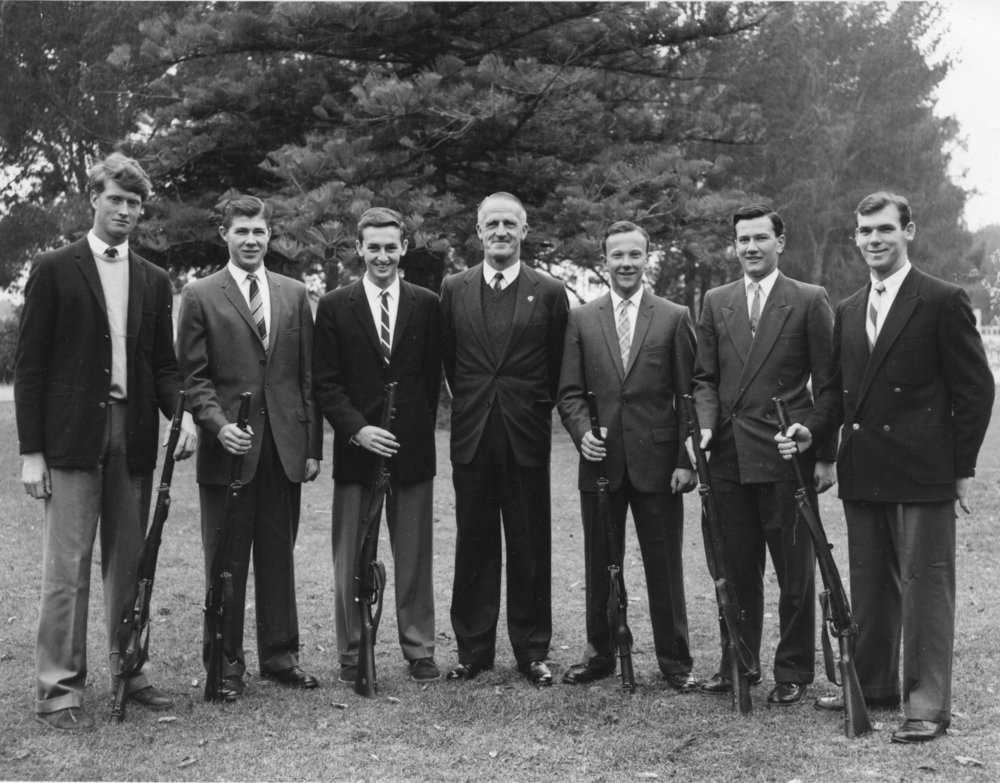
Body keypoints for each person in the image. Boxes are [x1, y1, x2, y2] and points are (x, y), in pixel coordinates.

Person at [777, 192, 994, 742]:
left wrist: (960, 466)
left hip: (924, 473)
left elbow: (976, 389)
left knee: (925, 589)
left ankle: (926, 705)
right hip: (865, 469)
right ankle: (873, 684)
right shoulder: (849, 309)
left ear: (909, 232)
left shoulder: (942, 300)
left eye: (885, 230)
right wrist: (812, 431)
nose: (874, 240)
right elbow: (832, 395)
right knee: (871, 587)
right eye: (865, 231)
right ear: (855, 238)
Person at [15, 152, 198, 731]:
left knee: (129, 563)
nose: (124, 210)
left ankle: (129, 668)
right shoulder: (54, 267)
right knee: (66, 567)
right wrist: (31, 452)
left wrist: (182, 415)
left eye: (134, 203)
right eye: (115, 199)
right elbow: (31, 366)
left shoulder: (152, 277)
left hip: (134, 434)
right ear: (93, 199)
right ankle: (59, 687)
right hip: (71, 437)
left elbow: (165, 366)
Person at [177, 194, 323, 700]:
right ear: (225, 235)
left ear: (269, 234)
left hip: (283, 447)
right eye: (241, 232)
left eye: (259, 232)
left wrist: (311, 448)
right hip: (228, 452)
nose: (251, 240)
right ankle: (225, 665)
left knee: (279, 557)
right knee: (226, 560)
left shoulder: (293, 292)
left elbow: (306, 378)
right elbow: (192, 380)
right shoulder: (199, 295)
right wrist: (217, 426)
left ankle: (281, 659)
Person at [692, 203, 837, 705]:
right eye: (742, 240)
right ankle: (739, 662)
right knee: (734, 570)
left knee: (794, 573)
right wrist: (704, 427)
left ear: (780, 242)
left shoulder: (808, 299)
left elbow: (831, 387)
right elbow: (703, 379)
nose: (750, 248)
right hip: (727, 458)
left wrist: (821, 451)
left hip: (785, 454)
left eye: (759, 238)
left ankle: (793, 669)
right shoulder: (716, 300)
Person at [557, 220, 699, 691]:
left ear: (647, 258)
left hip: (659, 465)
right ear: (605, 260)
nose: (625, 263)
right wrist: (582, 434)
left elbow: (688, 395)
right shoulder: (581, 318)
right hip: (600, 464)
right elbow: (569, 392)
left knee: (665, 565)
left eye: (634, 255)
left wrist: (684, 458)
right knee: (601, 562)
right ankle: (600, 655)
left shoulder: (674, 316)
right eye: (617, 255)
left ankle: (675, 662)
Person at [440, 192, 569, 686]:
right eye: (491, 223)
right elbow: (452, 363)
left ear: (524, 230)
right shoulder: (455, 287)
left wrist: (531, 407)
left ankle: (532, 650)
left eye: (509, 224)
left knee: (529, 545)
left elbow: (558, 367)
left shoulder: (551, 291)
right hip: (473, 436)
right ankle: (473, 650)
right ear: (478, 231)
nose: (500, 231)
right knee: (473, 543)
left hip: (526, 436)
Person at [313, 207, 442, 684]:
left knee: (414, 554)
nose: (383, 255)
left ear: (403, 247)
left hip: (411, 451)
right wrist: (358, 429)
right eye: (374, 247)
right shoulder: (333, 305)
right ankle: (352, 651)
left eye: (392, 246)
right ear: (359, 249)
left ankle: (419, 648)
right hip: (356, 449)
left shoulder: (427, 303)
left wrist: (409, 429)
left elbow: (431, 379)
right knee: (351, 554)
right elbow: (325, 383)